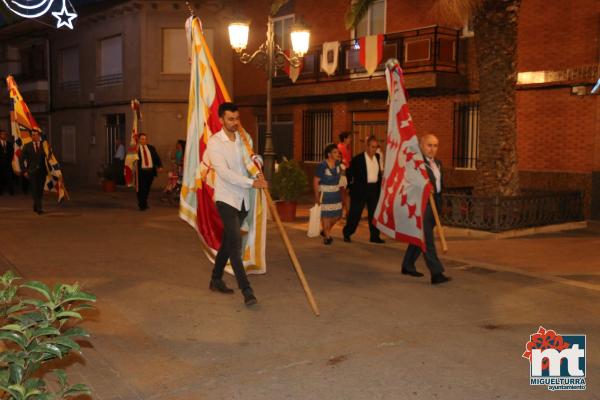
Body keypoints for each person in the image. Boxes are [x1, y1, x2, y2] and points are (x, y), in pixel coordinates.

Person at [207, 102, 268, 306]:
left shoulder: (244, 139)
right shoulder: (215, 142)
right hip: (226, 199)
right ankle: (247, 290)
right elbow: (224, 173)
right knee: (235, 246)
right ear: (221, 120)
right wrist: (252, 182)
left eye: (237, 118)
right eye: (230, 119)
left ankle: (216, 279)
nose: (235, 123)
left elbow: (249, 161)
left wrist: (257, 163)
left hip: (243, 198)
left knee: (228, 241)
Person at [401, 134, 451, 285]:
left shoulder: (438, 163)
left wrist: (443, 204)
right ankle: (436, 273)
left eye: (435, 145)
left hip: (435, 203)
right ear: (421, 146)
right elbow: (409, 182)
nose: (432, 149)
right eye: (429, 145)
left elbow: (440, 185)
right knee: (427, 239)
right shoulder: (416, 164)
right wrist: (423, 187)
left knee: (419, 235)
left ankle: (407, 265)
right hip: (421, 204)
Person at [343, 135, 385, 244]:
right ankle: (347, 233)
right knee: (355, 214)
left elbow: (379, 173)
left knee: (374, 215)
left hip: (374, 189)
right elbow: (349, 173)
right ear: (366, 146)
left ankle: (374, 236)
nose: (374, 149)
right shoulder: (358, 159)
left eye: (376, 147)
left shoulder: (377, 157)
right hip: (360, 190)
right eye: (372, 146)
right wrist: (350, 187)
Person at [314, 143, 343, 245]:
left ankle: (326, 230)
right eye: (335, 152)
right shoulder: (322, 165)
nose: (337, 154)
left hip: (336, 194)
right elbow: (316, 181)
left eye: (337, 152)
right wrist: (317, 196)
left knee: (338, 216)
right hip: (325, 194)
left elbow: (340, 177)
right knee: (326, 216)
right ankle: (327, 236)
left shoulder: (338, 164)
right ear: (329, 154)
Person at [19, 131, 47, 214]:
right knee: (34, 189)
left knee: (40, 190)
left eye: (36, 135)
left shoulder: (44, 145)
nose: (34, 136)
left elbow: (50, 158)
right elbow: (21, 160)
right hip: (31, 171)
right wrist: (24, 171)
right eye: (32, 135)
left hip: (42, 171)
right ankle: (39, 208)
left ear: (39, 136)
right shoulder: (27, 146)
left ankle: (36, 205)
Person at [136, 133, 163, 211]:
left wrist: (160, 166)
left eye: (145, 139)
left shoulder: (151, 148)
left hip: (150, 171)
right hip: (141, 172)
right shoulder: (136, 149)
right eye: (142, 139)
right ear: (139, 139)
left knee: (147, 188)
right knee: (142, 188)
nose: (144, 140)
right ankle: (142, 205)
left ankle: (144, 202)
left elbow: (156, 157)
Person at [337, 131, 352, 215]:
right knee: (342, 192)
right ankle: (343, 211)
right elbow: (337, 160)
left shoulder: (348, 148)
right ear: (345, 139)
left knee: (347, 192)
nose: (351, 139)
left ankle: (347, 212)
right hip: (342, 172)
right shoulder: (339, 147)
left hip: (348, 171)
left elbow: (349, 160)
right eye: (349, 137)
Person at [0, 130, 14, 196]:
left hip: (8, 164)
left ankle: (11, 191)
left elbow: (12, 153)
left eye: (5, 134)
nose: (4, 135)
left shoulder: (9, 144)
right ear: (0, 135)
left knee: (9, 178)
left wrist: (10, 161)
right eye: (2, 134)